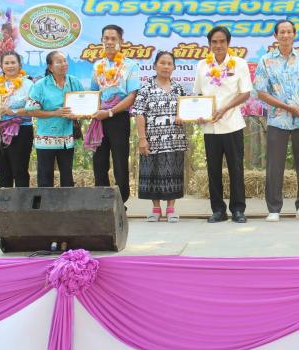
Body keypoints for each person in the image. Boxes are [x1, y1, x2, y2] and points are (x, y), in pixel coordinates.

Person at [253, 19, 299, 222]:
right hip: (278, 120)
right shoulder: (266, 60)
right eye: (281, 32)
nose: (285, 35)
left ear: (294, 34)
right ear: (275, 36)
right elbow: (260, 92)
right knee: (275, 165)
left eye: (289, 31)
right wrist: (288, 107)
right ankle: (274, 209)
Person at [193, 26, 252, 223]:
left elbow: (245, 93)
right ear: (209, 44)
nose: (218, 45)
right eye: (214, 42)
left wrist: (225, 108)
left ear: (228, 43)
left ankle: (238, 210)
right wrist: (199, 113)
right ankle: (218, 210)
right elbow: (198, 93)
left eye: (222, 41)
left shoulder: (239, 64)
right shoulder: (202, 65)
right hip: (210, 127)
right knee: (213, 170)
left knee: (236, 168)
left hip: (232, 124)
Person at [86, 25, 140, 203]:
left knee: (120, 162)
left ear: (121, 42)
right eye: (106, 38)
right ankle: (102, 202)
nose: (109, 42)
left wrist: (109, 112)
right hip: (99, 119)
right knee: (99, 162)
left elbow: (132, 96)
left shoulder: (130, 65)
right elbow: (94, 93)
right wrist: (92, 110)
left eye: (113, 39)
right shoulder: (97, 65)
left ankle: (120, 202)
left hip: (119, 118)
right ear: (102, 41)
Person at [131, 51, 187, 223]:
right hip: (152, 139)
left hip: (175, 139)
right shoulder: (146, 88)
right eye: (162, 63)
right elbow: (139, 114)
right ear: (155, 65)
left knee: (174, 172)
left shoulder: (179, 88)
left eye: (169, 63)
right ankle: (156, 209)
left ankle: (171, 209)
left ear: (174, 67)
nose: (166, 66)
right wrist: (142, 139)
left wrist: (182, 115)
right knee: (152, 173)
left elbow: (186, 110)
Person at [25, 51, 83, 188]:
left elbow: (83, 105)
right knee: (45, 179)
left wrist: (77, 115)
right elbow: (31, 110)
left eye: (64, 61)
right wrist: (54, 113)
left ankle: (67, 202)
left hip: (67, 139)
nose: (63, 64)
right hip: (46, 139)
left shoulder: (74, 82)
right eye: (58, 62)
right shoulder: (40, 85)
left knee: (67, 178)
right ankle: (45, 202)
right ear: (50, 67)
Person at [0, 52, 34, 188]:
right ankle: (5, 201)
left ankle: (22, 201)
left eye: (13, 63)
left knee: (20, 170)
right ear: (1, 66)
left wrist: (13, 112)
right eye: (6, 63)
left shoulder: (28, 84)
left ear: (20, 65)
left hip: (21, 130)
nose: (10, 66)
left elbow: (34, 109)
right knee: (3, 171)